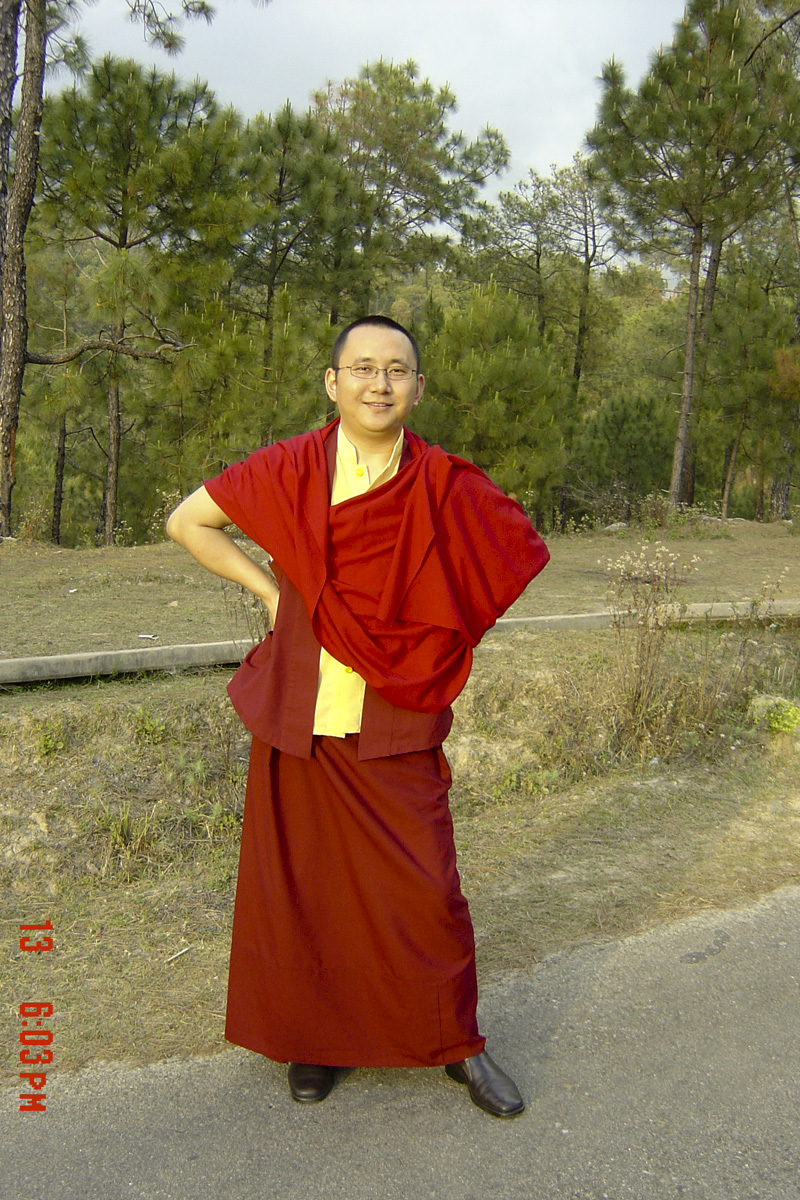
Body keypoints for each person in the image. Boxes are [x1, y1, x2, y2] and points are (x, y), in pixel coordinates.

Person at [166, 315, 549, 1117]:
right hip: (301, 718)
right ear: (332, 383)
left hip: (396, 714)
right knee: (305, 892)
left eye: (397, 369)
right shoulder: (291, 467)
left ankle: (458, 1044)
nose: (380, 383)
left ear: (419, 388)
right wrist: (272, 594)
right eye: (364, 367)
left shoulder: (444, 484)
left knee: (428, 893)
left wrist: (431, 629)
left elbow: (509, 553)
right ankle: (312, 1041)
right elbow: (187, 521)